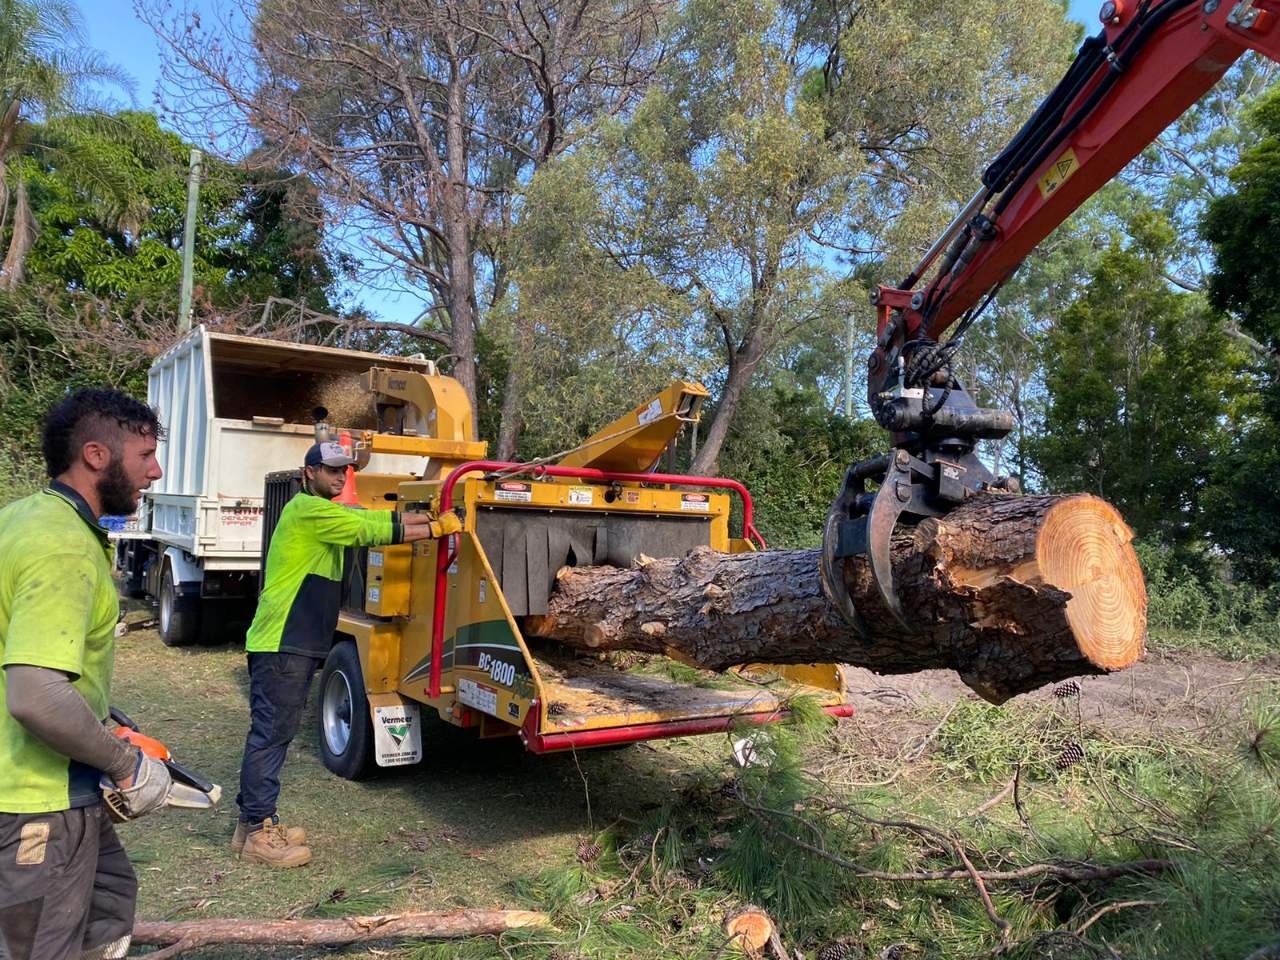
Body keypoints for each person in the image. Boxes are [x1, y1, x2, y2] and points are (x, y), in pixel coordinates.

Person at [0, 388, 170, 960]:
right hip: (34, 796)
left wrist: (100, 720)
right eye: (144, 456)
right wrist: (127, 765)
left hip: (56, 783)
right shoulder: (64, 549)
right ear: (96, 456)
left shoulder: (26, 517)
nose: (156, 470)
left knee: (110, 899)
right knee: (38, 945)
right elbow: (35, 695)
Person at [233, 441, 460, 867]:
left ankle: (252, 825)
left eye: (346, 470)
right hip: (281, 642)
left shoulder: (327, 511)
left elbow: (371, 517)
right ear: (309, 472)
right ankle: (259, 832)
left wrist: (428, 516)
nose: (340, 477)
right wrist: (436, 529)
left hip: (291, 642)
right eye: (332, 469)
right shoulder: (308, 512)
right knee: (271, 735)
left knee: (272, 734)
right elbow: (371, 531)